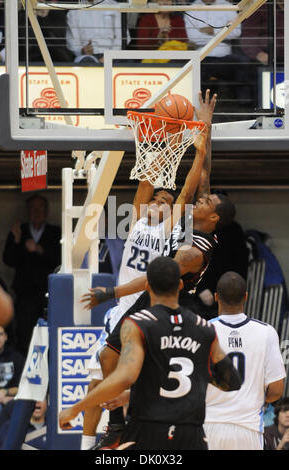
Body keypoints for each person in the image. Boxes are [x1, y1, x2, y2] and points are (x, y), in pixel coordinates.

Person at [80, 90, 236, 449]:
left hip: (161, 301)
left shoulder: (190, 242)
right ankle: (112, 427)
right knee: (106, 362)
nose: (196, 199)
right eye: (159, 199)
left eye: (205, 201)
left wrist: (111, 292)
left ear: (210, 216)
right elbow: (198, 177)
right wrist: (193, 131)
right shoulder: (143, 221)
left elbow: (186, 192)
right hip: (136, 300)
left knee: (129, 373)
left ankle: (132, 419)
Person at [59, 257, 242, 450]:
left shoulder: (138, 324)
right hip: (191, 436)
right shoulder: (204, 328)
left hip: (148, 432)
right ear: (180, 285)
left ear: (147, 285)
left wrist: (76, 408)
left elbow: (125, 376)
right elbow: (232, 381)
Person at [203, 271, 286, 450]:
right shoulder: (266, 332)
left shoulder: (203, 329)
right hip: (248, 428)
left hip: (209, 426)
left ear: (216, 297)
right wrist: (255, 398)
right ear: (246, 296)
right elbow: (277, 390)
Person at [3, 193, 61, 356]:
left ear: (47, 211)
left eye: (40, 208)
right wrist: (16, 241)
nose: (36, 212)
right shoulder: (19, 231)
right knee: (24, 333)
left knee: (49, 333)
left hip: (48, 294)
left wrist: (39, 250)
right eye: (33, 209)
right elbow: (8, 260)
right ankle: (24, 374)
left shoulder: (56, 232)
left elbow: (61, 259)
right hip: (25, 294)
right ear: (27, 211)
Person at [0, 325, 25, 448]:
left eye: (0, 334)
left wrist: (6, 392)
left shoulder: (17, 358)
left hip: (12, 398)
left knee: (18, 406)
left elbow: (24, 386)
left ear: (5, 337)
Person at [66, 0, 124, 65]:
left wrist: (108, 57)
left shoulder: (113, 5)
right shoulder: (74, 11)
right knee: (86, 61)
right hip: (87, 57)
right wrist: (82, 50)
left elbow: (122, 37)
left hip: (113, 55)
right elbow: (73, 44)